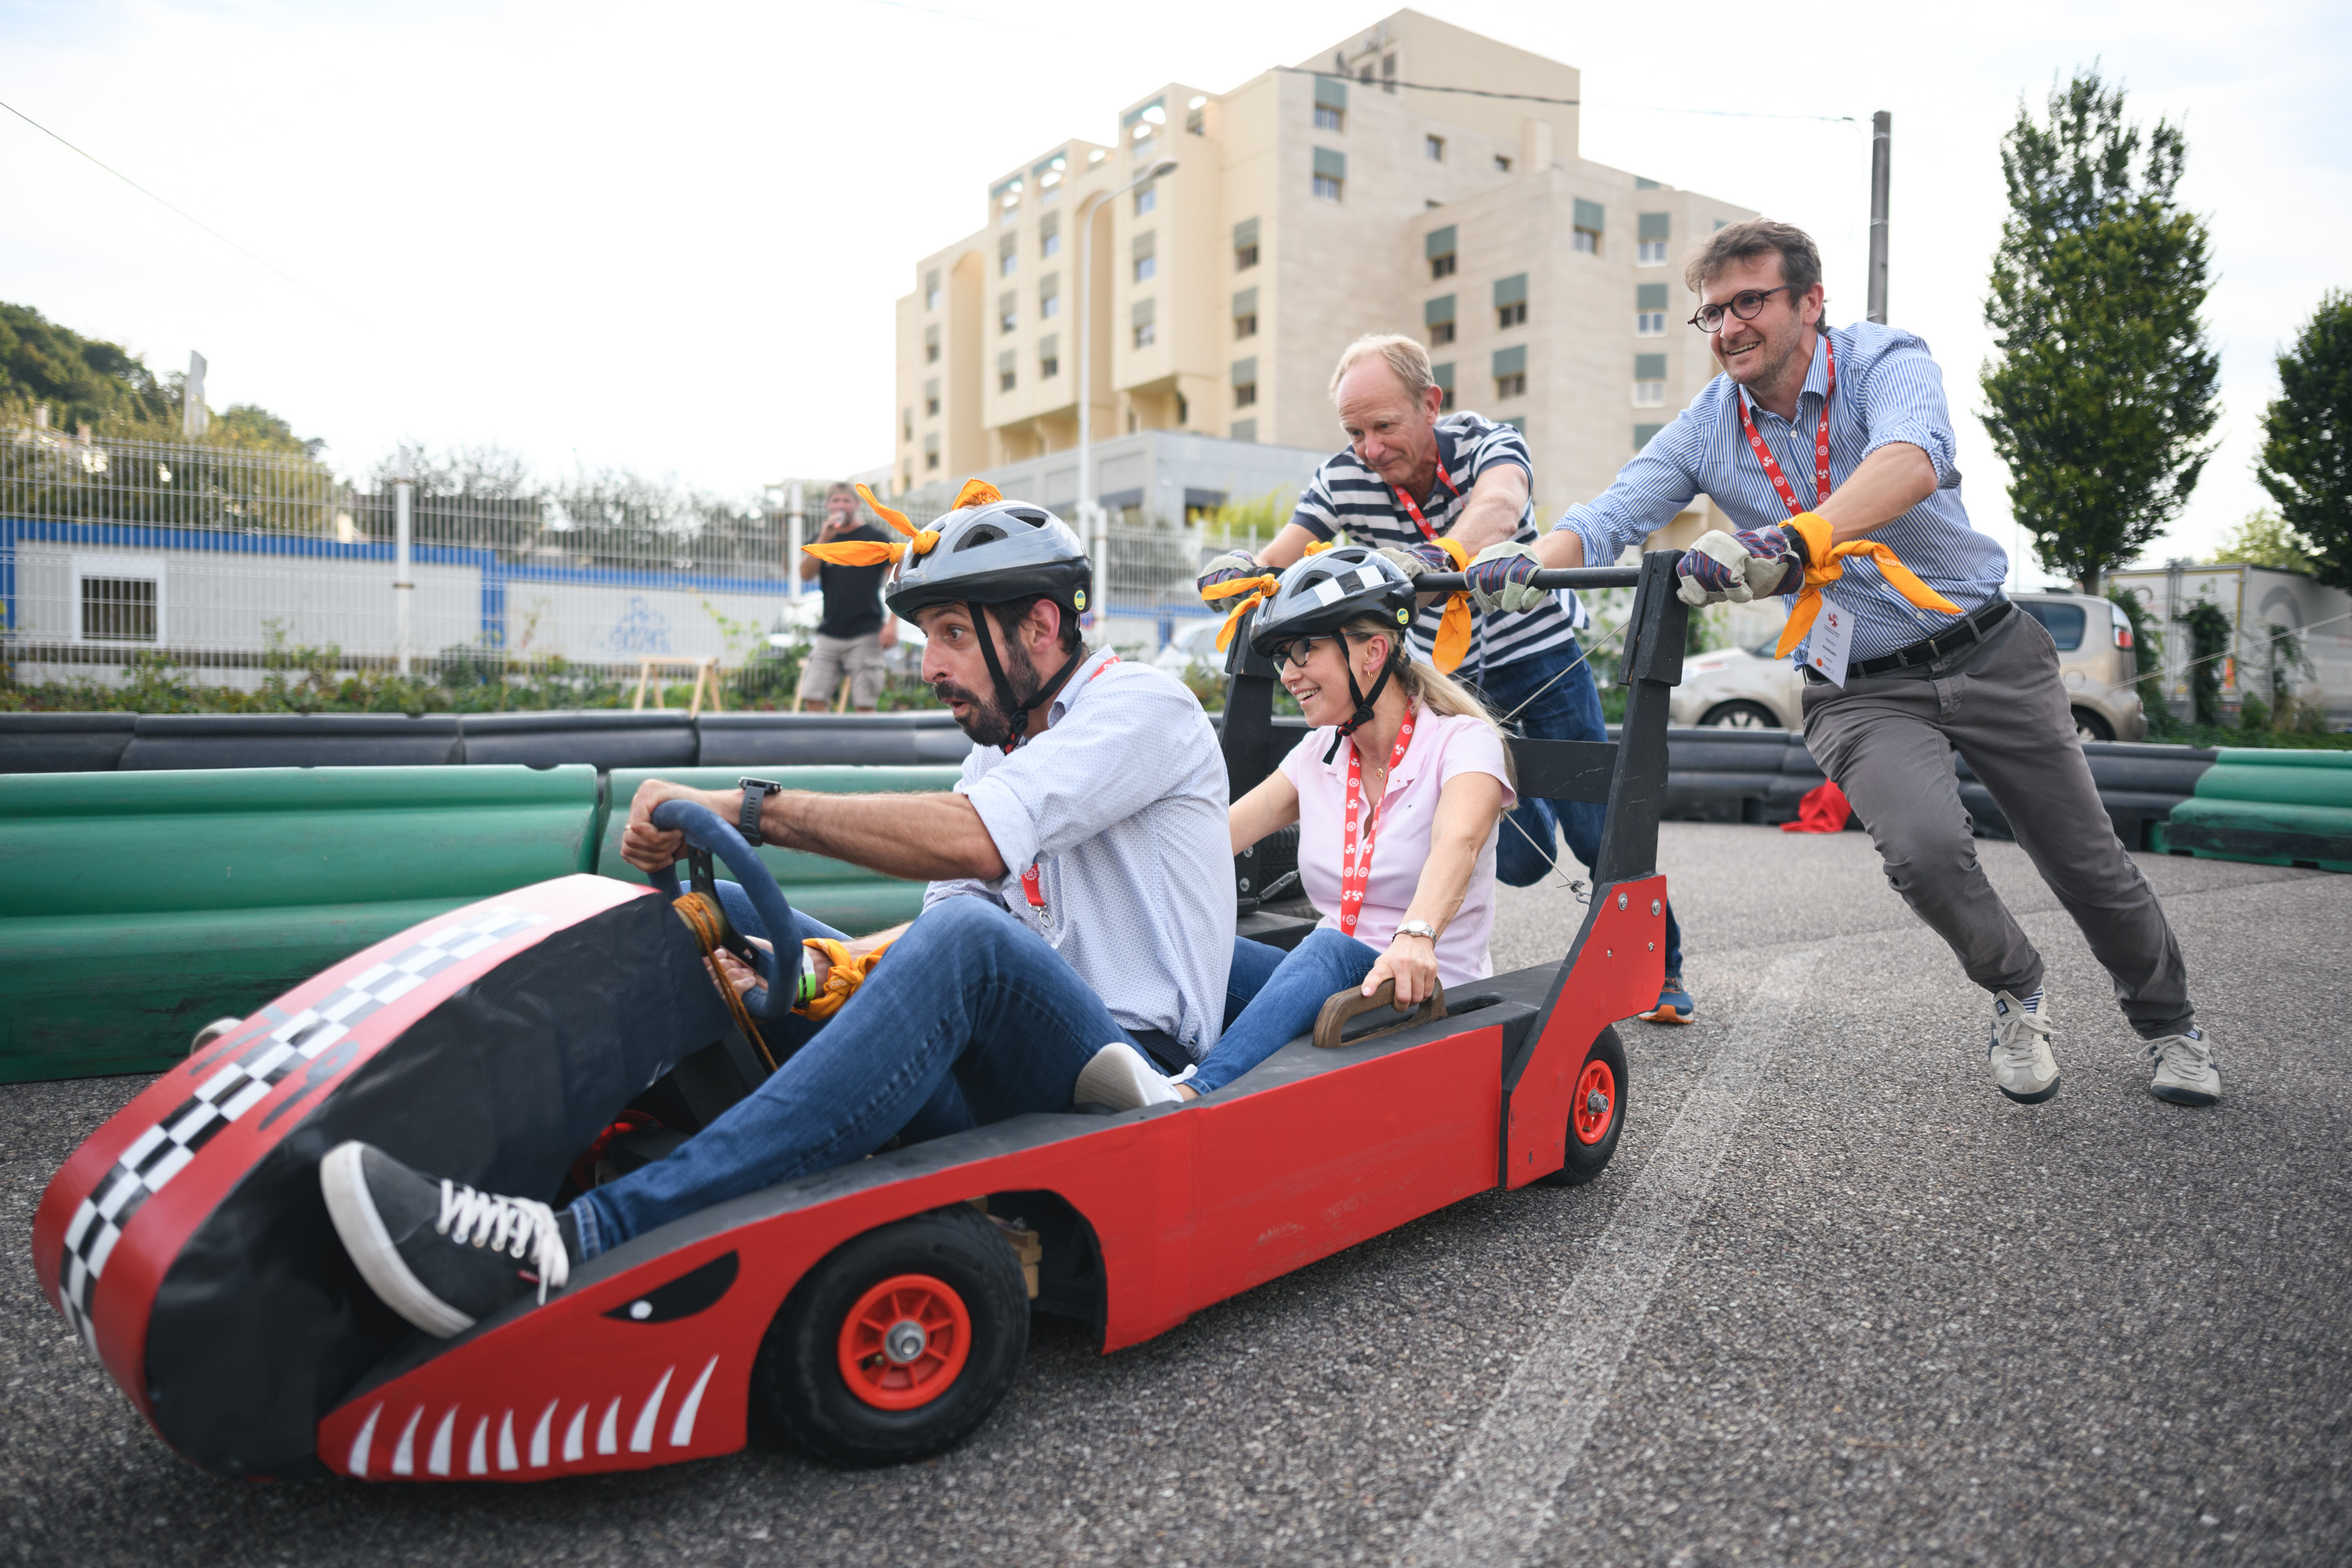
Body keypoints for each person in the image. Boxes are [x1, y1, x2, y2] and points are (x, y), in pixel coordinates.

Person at [318, 485, 1236, 1337]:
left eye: (952, 632)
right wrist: (796, 965)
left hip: (1127, 1067)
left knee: (967, 937)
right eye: (927, 637)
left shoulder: (1141, 708)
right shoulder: (997, 750)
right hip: (1002, 1059)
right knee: (696, 931)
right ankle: (392, 1128)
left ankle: (571, 1242)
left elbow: (976, 846)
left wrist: (749, 807)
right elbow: (932, 924)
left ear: (1040, 624)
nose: (931, 666)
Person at [1489, 217, 2218, 1109]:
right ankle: (2016, 985)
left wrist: (1792, 538)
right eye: (1711, 313)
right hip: (1859, 684)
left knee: (2086, 861)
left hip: (1985, 647)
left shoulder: (1885, 363)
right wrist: (1533, 563)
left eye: (1749, 301)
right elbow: (1610, 513)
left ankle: (2170, 1024)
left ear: (1811, 302)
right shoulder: (1707, 426)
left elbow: (1911, 463)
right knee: (1923, 852)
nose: (1727, 328)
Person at [1198, 335, 1694, 1025]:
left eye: (1383, 427)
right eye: (1354, 431)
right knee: (1520, 861)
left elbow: (1498, 506)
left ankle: (1660, 967)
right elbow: (1290, 543)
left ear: (1430, 404)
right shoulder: (1343, 475)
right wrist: (1249, 567)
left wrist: (1438, 555)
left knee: (1596, 823)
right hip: (1446, 665)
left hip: (1539, 651)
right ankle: (1510, 801)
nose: (1368, 447)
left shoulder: (1488, 443)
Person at [1076, 548, 1513, 1111]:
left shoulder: (1462, 743)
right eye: (1284, 656)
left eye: (1306, 650)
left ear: (1372, 652)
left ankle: (1191, 1094)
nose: (1288, 674)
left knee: (1327, 947)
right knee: (1199, 946)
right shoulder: (1320, 754)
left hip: (1420, 988)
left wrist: (1416, 935)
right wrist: (1107, 884)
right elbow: (1213, 836)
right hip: (1334, 982)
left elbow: (1461, 842)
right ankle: (1115, 1059)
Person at [797, 481, 898, 712]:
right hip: (829, 633)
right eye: (836, 500)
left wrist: (892, 624)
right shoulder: (822, 538)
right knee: (813, 696)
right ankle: (827, 748)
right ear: (827, 505)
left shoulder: (873, 536)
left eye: (846, 500)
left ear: (856, 505)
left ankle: (864, 748)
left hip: (866, 633)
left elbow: (897, 578)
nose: (841, 505)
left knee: (865, 704)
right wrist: (823, 537)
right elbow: (805, 574)